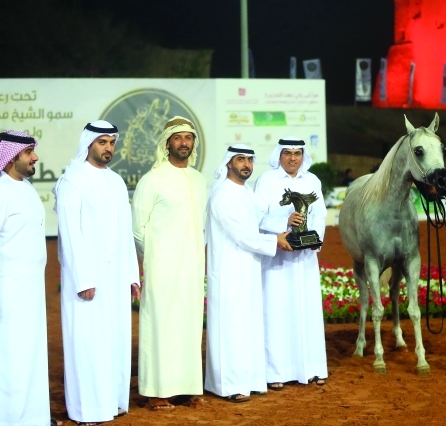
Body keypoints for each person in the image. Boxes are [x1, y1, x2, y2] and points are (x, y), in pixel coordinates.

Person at [53, 121, 140, 424]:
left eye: (112, 143)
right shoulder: (71, 180)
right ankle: (87, 409)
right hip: (88, 281)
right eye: (102, 142)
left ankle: (112, 402)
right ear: (88, 143)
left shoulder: (116, 181)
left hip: (115, 279)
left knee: (114, 340)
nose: (108, 148)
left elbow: (125, 231)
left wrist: (131, 273)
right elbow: (70, 234)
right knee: (87, 343)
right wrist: (83, 279)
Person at [0, 131, 61, 426]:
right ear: (11, 156)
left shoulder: (25, 188)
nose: (36, 157)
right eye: (30, 152)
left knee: (29, 356)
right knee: (5, 360)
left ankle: (32, 417)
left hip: (29, 291)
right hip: (4, 293)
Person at [205, 145, 292, 403]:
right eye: (240, 159)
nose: (246, 164)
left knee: (248, 326)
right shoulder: (221, 194)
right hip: (229, 270)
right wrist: (274, 241)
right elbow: (240, 234)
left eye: (249, 160)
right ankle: (227, 384)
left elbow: (263, 219)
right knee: (231, 328)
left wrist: (288, 221)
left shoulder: (247, 193)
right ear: (229, 164)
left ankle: (250, 380)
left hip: (249, 268)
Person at [132, 116, 207, 411]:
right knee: (160, 326)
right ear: (167, 143)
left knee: (188, 325)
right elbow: (138, 228)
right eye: (178, 138)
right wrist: (154, 259)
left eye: (188, 138)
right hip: (162, 267)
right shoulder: (152, 179)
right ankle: (156, 391)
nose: (184, 143)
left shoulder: (199, 180)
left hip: (191, 266)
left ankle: (187, 387)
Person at [253, 137, 328, 389]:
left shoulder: (312, 181)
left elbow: (320, 215)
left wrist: (313, 240)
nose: (292, 158)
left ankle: (313, 369)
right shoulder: (267, 181)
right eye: (287, 153)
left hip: (306, 260)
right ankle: (276, 373)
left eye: (297, 153)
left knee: (308, 313)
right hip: (278, 262)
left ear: (303, 156)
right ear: (279, 155)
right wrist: (284, 222)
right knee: (277, 314)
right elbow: (258, 217)